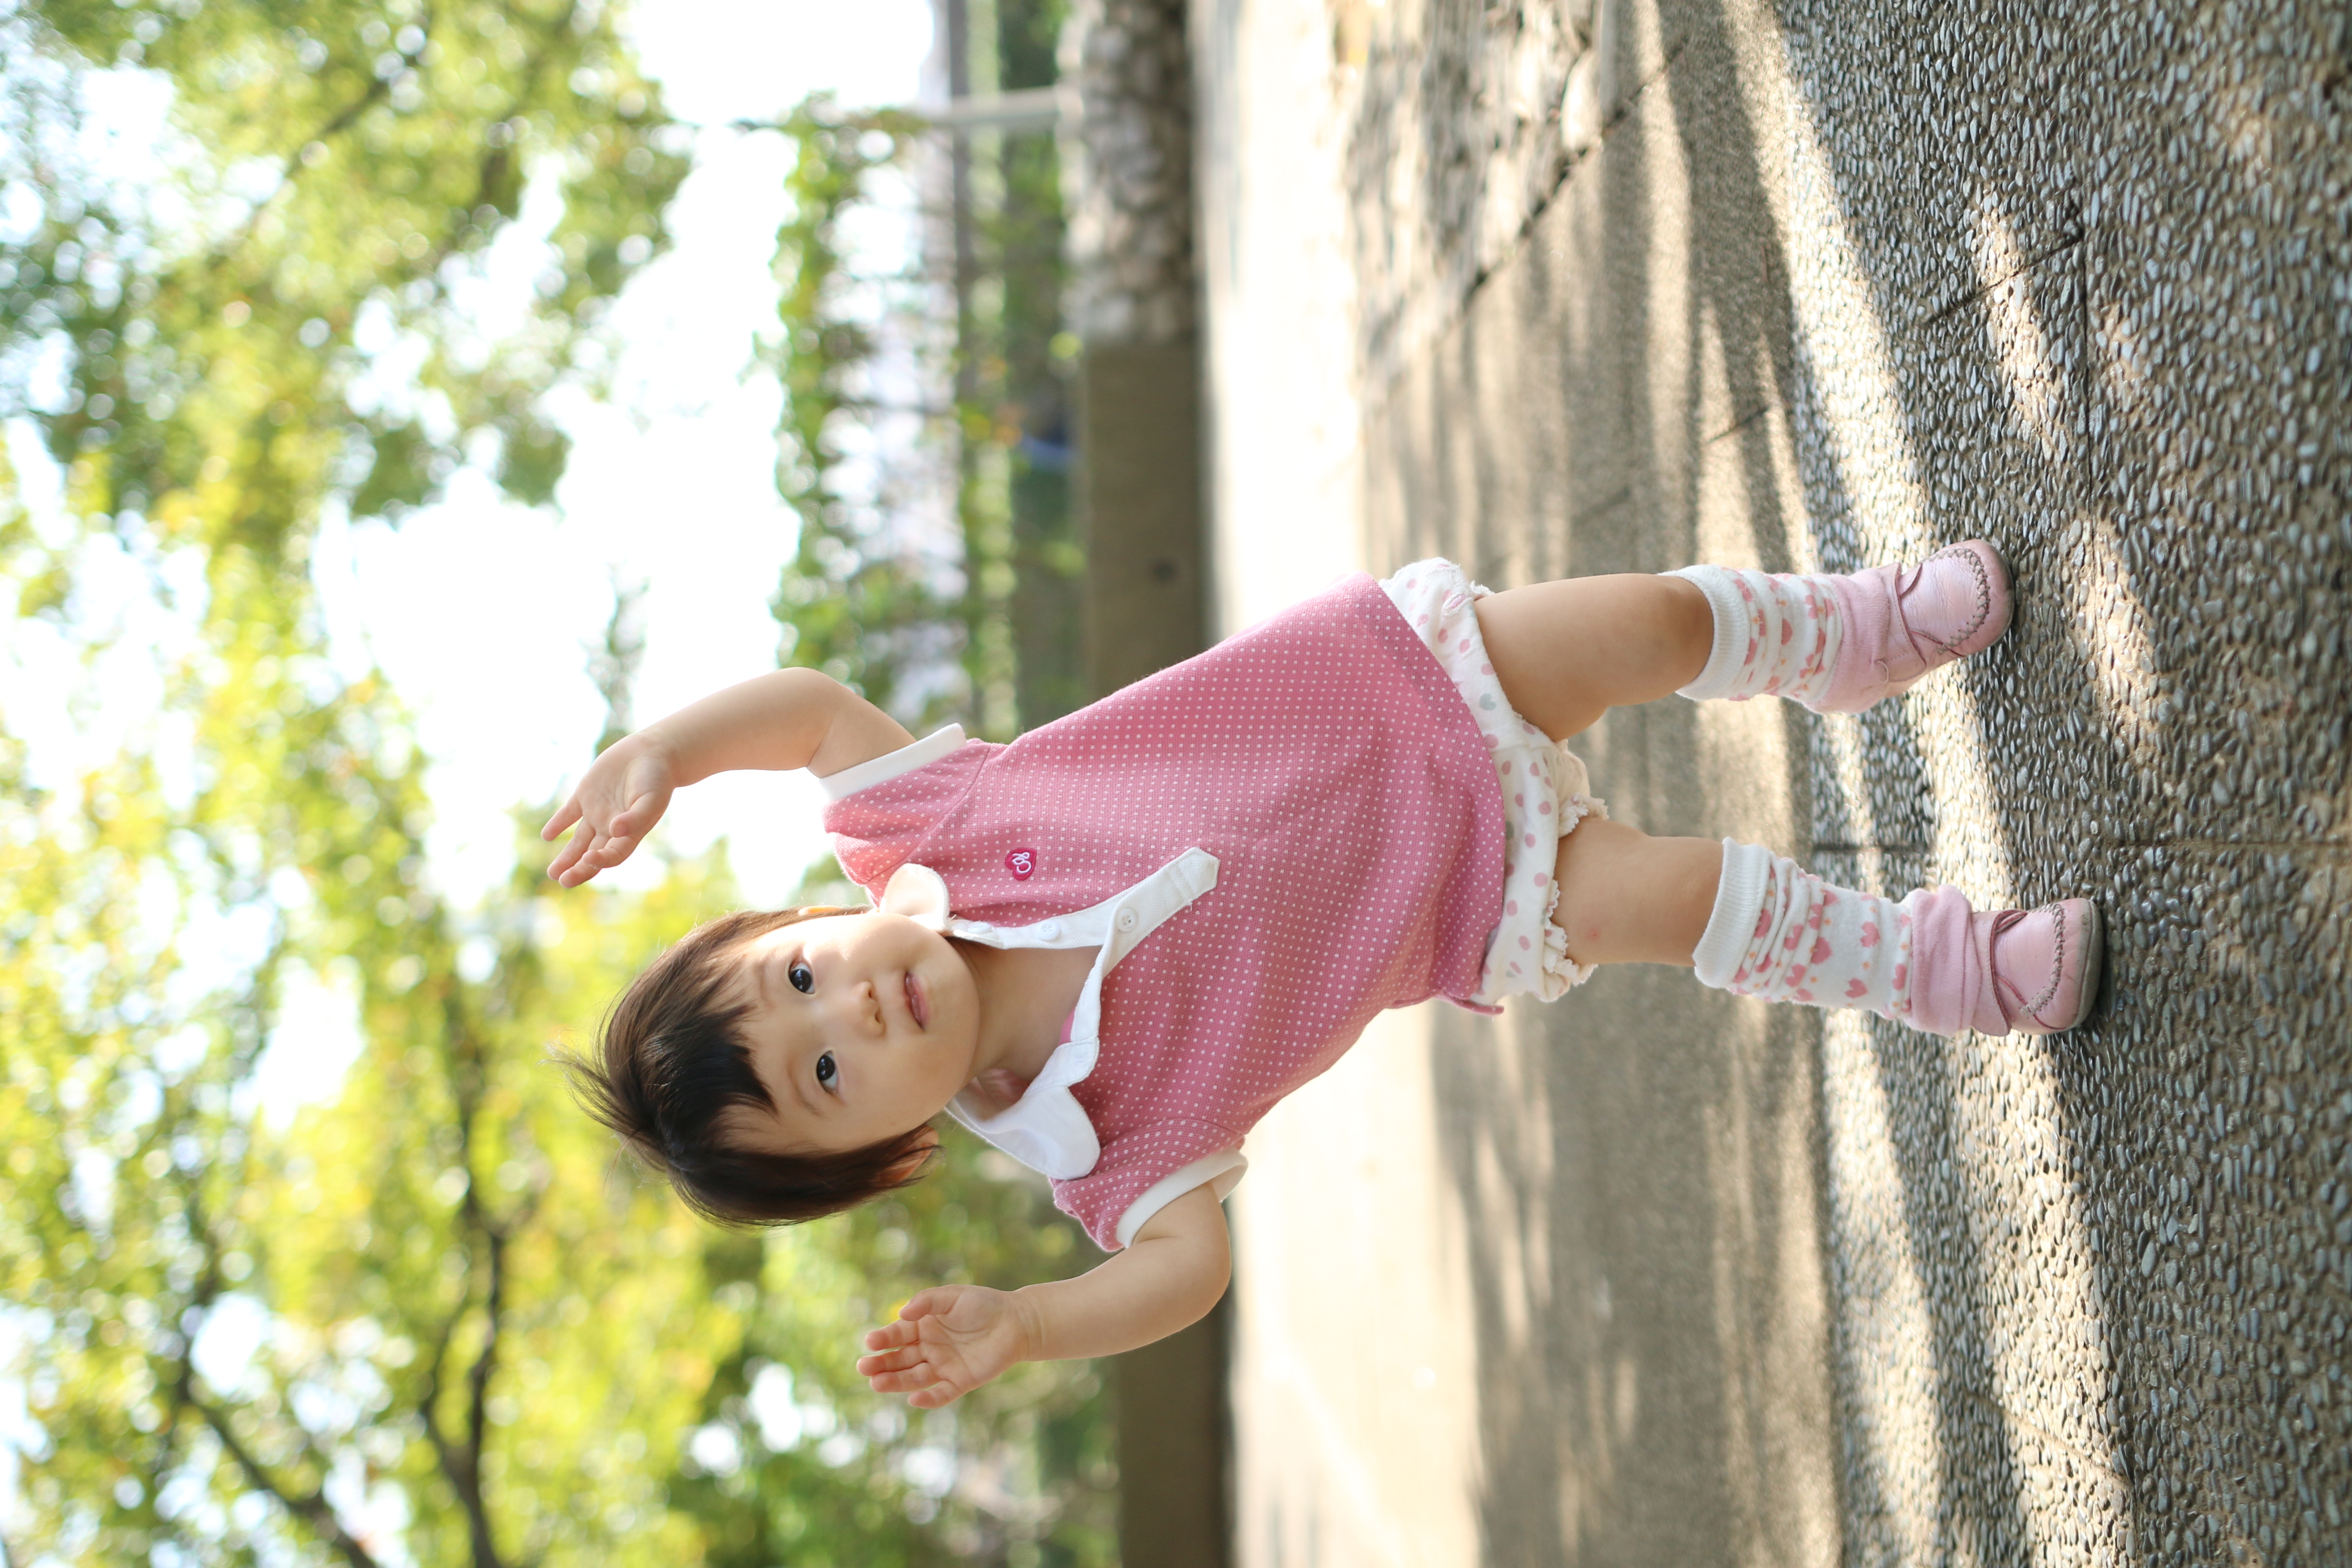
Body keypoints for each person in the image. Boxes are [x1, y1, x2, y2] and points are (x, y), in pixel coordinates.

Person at [544, 545, 2102, 1409]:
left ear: (801, 923)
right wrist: (1028, 1321)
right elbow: (1185, 1269)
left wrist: (664, 753)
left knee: (1650, 621)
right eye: (823, 1075)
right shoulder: (1093, 1140)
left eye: (800, 975)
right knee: (1689, 897)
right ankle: (1939, 966)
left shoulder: (913, 831)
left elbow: (814, 709)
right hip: (1475, 893)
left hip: (1410, 689)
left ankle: (1851, 632)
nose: (846, 1010)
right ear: (882, 1154)